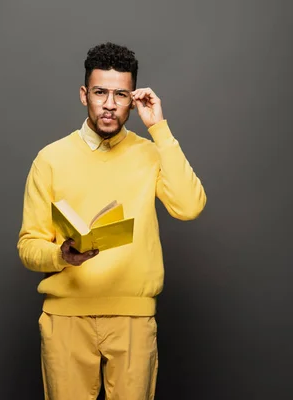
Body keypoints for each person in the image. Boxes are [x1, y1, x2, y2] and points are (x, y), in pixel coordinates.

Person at [17, 42, 207, 400]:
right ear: (83, 94)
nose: (109, 104)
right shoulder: (50, 159)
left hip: (132, 319)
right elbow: (29, 245)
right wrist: (62, 255)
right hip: (66, 319)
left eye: (120, 94)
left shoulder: (150, 152)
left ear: (133, 99)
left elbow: (190, 206)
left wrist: (160, 129)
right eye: (100, 92)